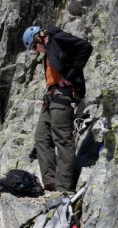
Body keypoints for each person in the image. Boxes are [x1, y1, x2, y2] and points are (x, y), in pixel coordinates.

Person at [22, 25, 93, 192]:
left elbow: (85, 47)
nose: (36, 51)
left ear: (38, 38)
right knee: (41, 136)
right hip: (50, 98)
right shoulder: (49, 50)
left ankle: (64, 187)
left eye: (34, 46)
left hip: (63, 95)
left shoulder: (58, 38)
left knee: (62, 138)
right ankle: (51, 182)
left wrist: (70, 77)